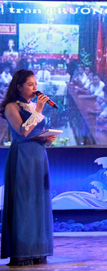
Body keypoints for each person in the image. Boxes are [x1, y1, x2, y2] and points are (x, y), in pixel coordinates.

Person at [0, 69, 56, 266]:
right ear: (19, 86)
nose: (35, 88)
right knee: (24, 202)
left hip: (39, 156)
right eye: (30, 84)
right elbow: (23, 132)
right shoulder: (11, 107)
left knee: (39, 201)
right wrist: (39, 111)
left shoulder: (32, 106)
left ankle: (38, 249)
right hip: (22, 157)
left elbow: (36, 133)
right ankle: (22, 251)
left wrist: (48, 138)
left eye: (35, 84)